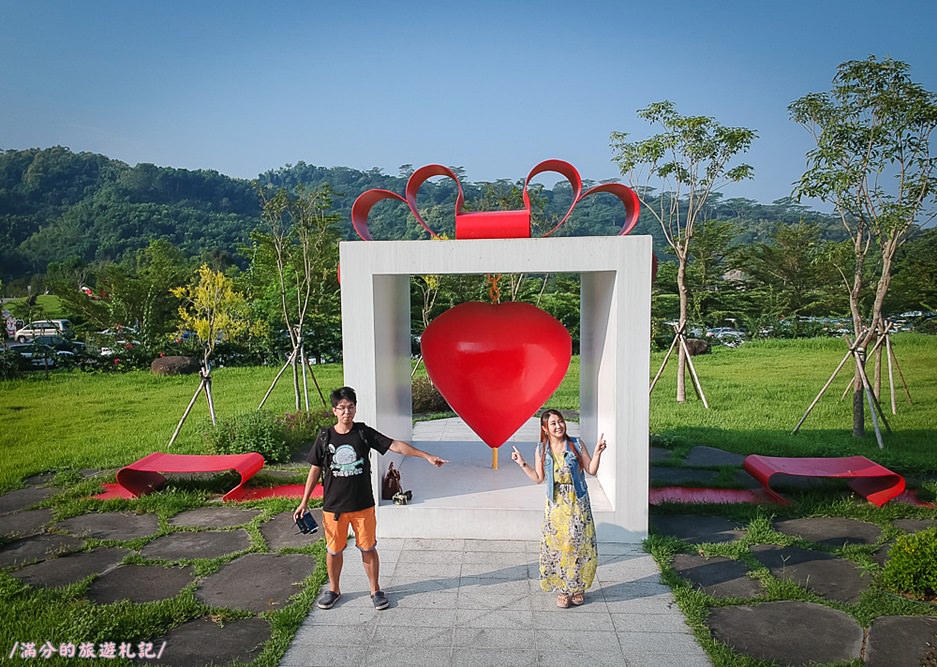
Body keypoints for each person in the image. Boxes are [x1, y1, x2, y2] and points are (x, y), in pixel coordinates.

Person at [293, 386, 448, 611]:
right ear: (334, 410)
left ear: (355, 409)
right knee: (334, 550)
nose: (347, 412)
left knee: (368, 548)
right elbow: (315, 470)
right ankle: (334, 590)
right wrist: (304, 501)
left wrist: (426, 456)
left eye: (351, 407)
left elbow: (395, 445)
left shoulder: (363, 433)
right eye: (342, 408)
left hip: (363, 504)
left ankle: (375, 591)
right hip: (334, 506)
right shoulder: (325, 436)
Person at [511, 408, 607, 608]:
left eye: (560, 421)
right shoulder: (542, 449)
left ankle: (578, 587)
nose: (558, 426)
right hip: (555, 505)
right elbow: (538, 478)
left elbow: (591, 470)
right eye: (553, 423)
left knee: (578, 544)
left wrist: (598, 452)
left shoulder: (576, 444)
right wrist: (522, 463)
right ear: (545, 429)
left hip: (577, 501)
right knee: (559, 546)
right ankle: (564, 589)